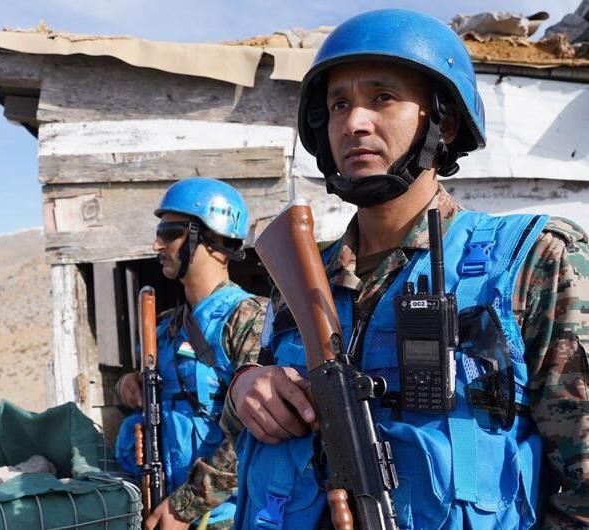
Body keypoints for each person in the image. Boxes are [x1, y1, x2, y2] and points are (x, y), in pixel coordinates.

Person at [225, 9, 589, 530]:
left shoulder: (533, 260)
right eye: (339, 104)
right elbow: (245, 416)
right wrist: (246, 387)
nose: (354, 123)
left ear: (444, 122)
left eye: (382, 98)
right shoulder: (301, 276)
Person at [113, 177, 268, 530]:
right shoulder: (165, 328)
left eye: (169, 233)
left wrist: (185, 506)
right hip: (163, 509)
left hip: (228, 518)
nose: (157, 244)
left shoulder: (248, 318)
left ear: (212, 237)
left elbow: (255, 431)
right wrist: (126, 387)